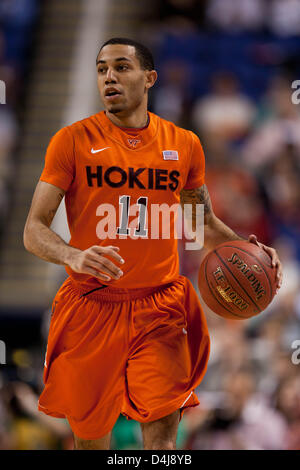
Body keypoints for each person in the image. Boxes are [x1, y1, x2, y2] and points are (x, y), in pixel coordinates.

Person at [23, 38, 282, 450]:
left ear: (150, 78)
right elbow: (33, 230)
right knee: (91, 441)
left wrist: (253, 253)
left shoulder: (183, 144)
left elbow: (200, 225)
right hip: (92, 305)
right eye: (102, 68)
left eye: (121, 67)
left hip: (159, 306)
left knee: (162, 439)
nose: (109, 76)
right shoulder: (71, 141)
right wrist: (74, 254)